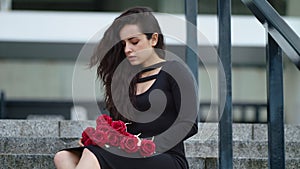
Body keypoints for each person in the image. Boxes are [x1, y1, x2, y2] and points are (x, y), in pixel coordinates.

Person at [54, 6, 198, 169]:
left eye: (134, 42)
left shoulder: (175, 71)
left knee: (92, 156)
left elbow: (189, 123)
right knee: (63, 157)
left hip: (166, 157)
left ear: (154, 39)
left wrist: (148, 143)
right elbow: (119, 128)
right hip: (128, 154)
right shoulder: (125, 80)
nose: (127, 49)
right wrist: (98, 139)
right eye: (124, 44)